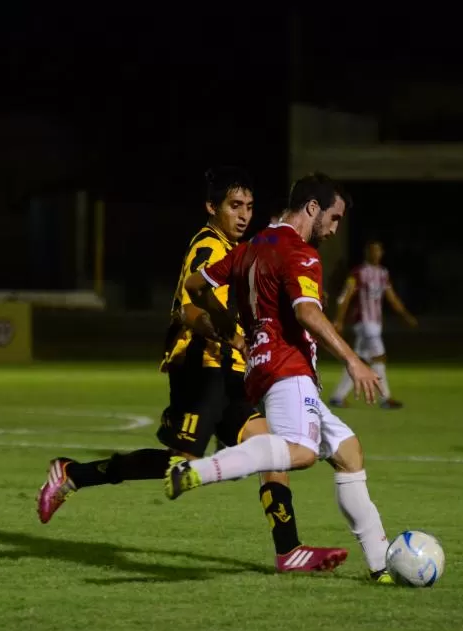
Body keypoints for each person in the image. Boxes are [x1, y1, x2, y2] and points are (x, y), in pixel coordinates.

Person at [37, 167, 348, 573]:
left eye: (249, 208)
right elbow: (189, 309)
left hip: (232, 372)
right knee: (181, 462)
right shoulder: (208, 245)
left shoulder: (243, 251)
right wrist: (228, 335)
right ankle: (73, 473)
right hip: (201, 368)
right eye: (234, 206)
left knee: (271, 451)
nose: (243, 216)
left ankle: (288, 550)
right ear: (211, 207)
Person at [166, 173, 397, 584]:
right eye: (335, 217)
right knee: (302, 453)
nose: (335, 227)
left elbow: (195, 285)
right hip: (288, 368)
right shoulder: (300, 252)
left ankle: (381, 565)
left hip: (261, 366)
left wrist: (224, 321)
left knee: (348, 451)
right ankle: (203, 470)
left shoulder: (252, 245)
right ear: (312, 207)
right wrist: (353, 361)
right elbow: (308, 313)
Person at [329, 240, 418, 409]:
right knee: (379, 357)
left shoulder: (383, 274)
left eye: (378, 250)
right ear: (367, 253)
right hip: (364, 324)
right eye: (373, 251)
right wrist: (339, 320)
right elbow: (345, 296)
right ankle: (386, 398)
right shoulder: (358, 273)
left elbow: (392, 298)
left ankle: (338, 396)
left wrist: (405, 315)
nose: (376, 254)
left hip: (376, 324)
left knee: (358, 360)